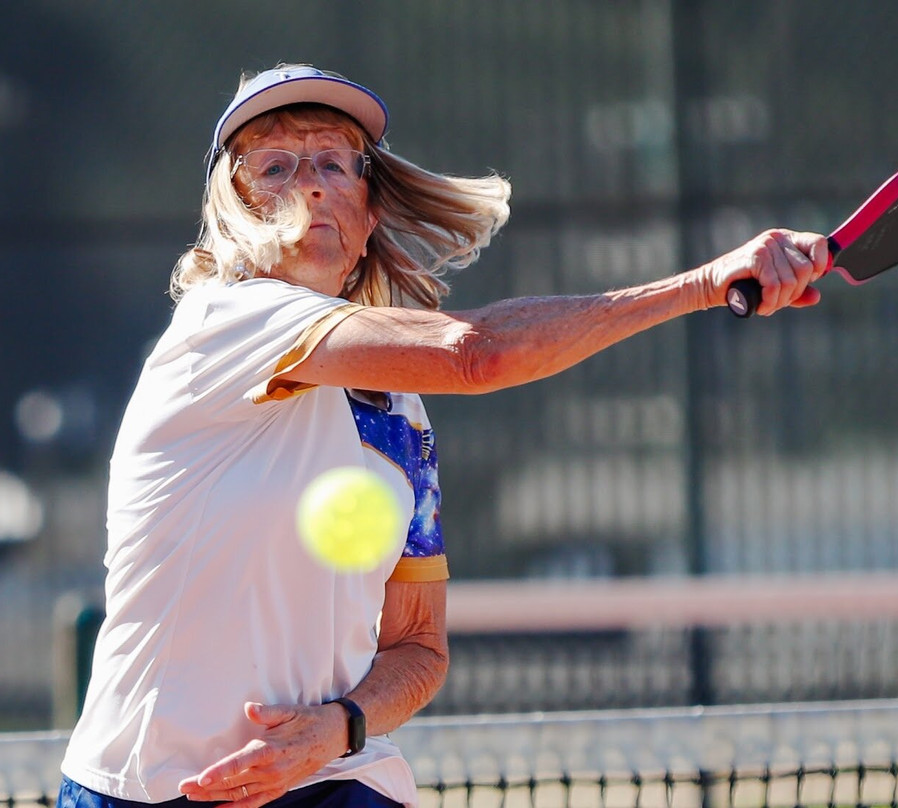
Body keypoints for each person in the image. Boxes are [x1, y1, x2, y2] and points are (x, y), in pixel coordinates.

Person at [58, 64, 830, 808]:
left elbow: (419, 651)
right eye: (277, 166)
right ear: (233, 205)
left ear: (367, 215)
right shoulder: (225, 322)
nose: (314, 183)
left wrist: (339, 726)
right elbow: (479, 352)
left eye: (334, 161)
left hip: (328, 777)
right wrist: (702, 284)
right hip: (153, 788)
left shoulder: (398, 409)